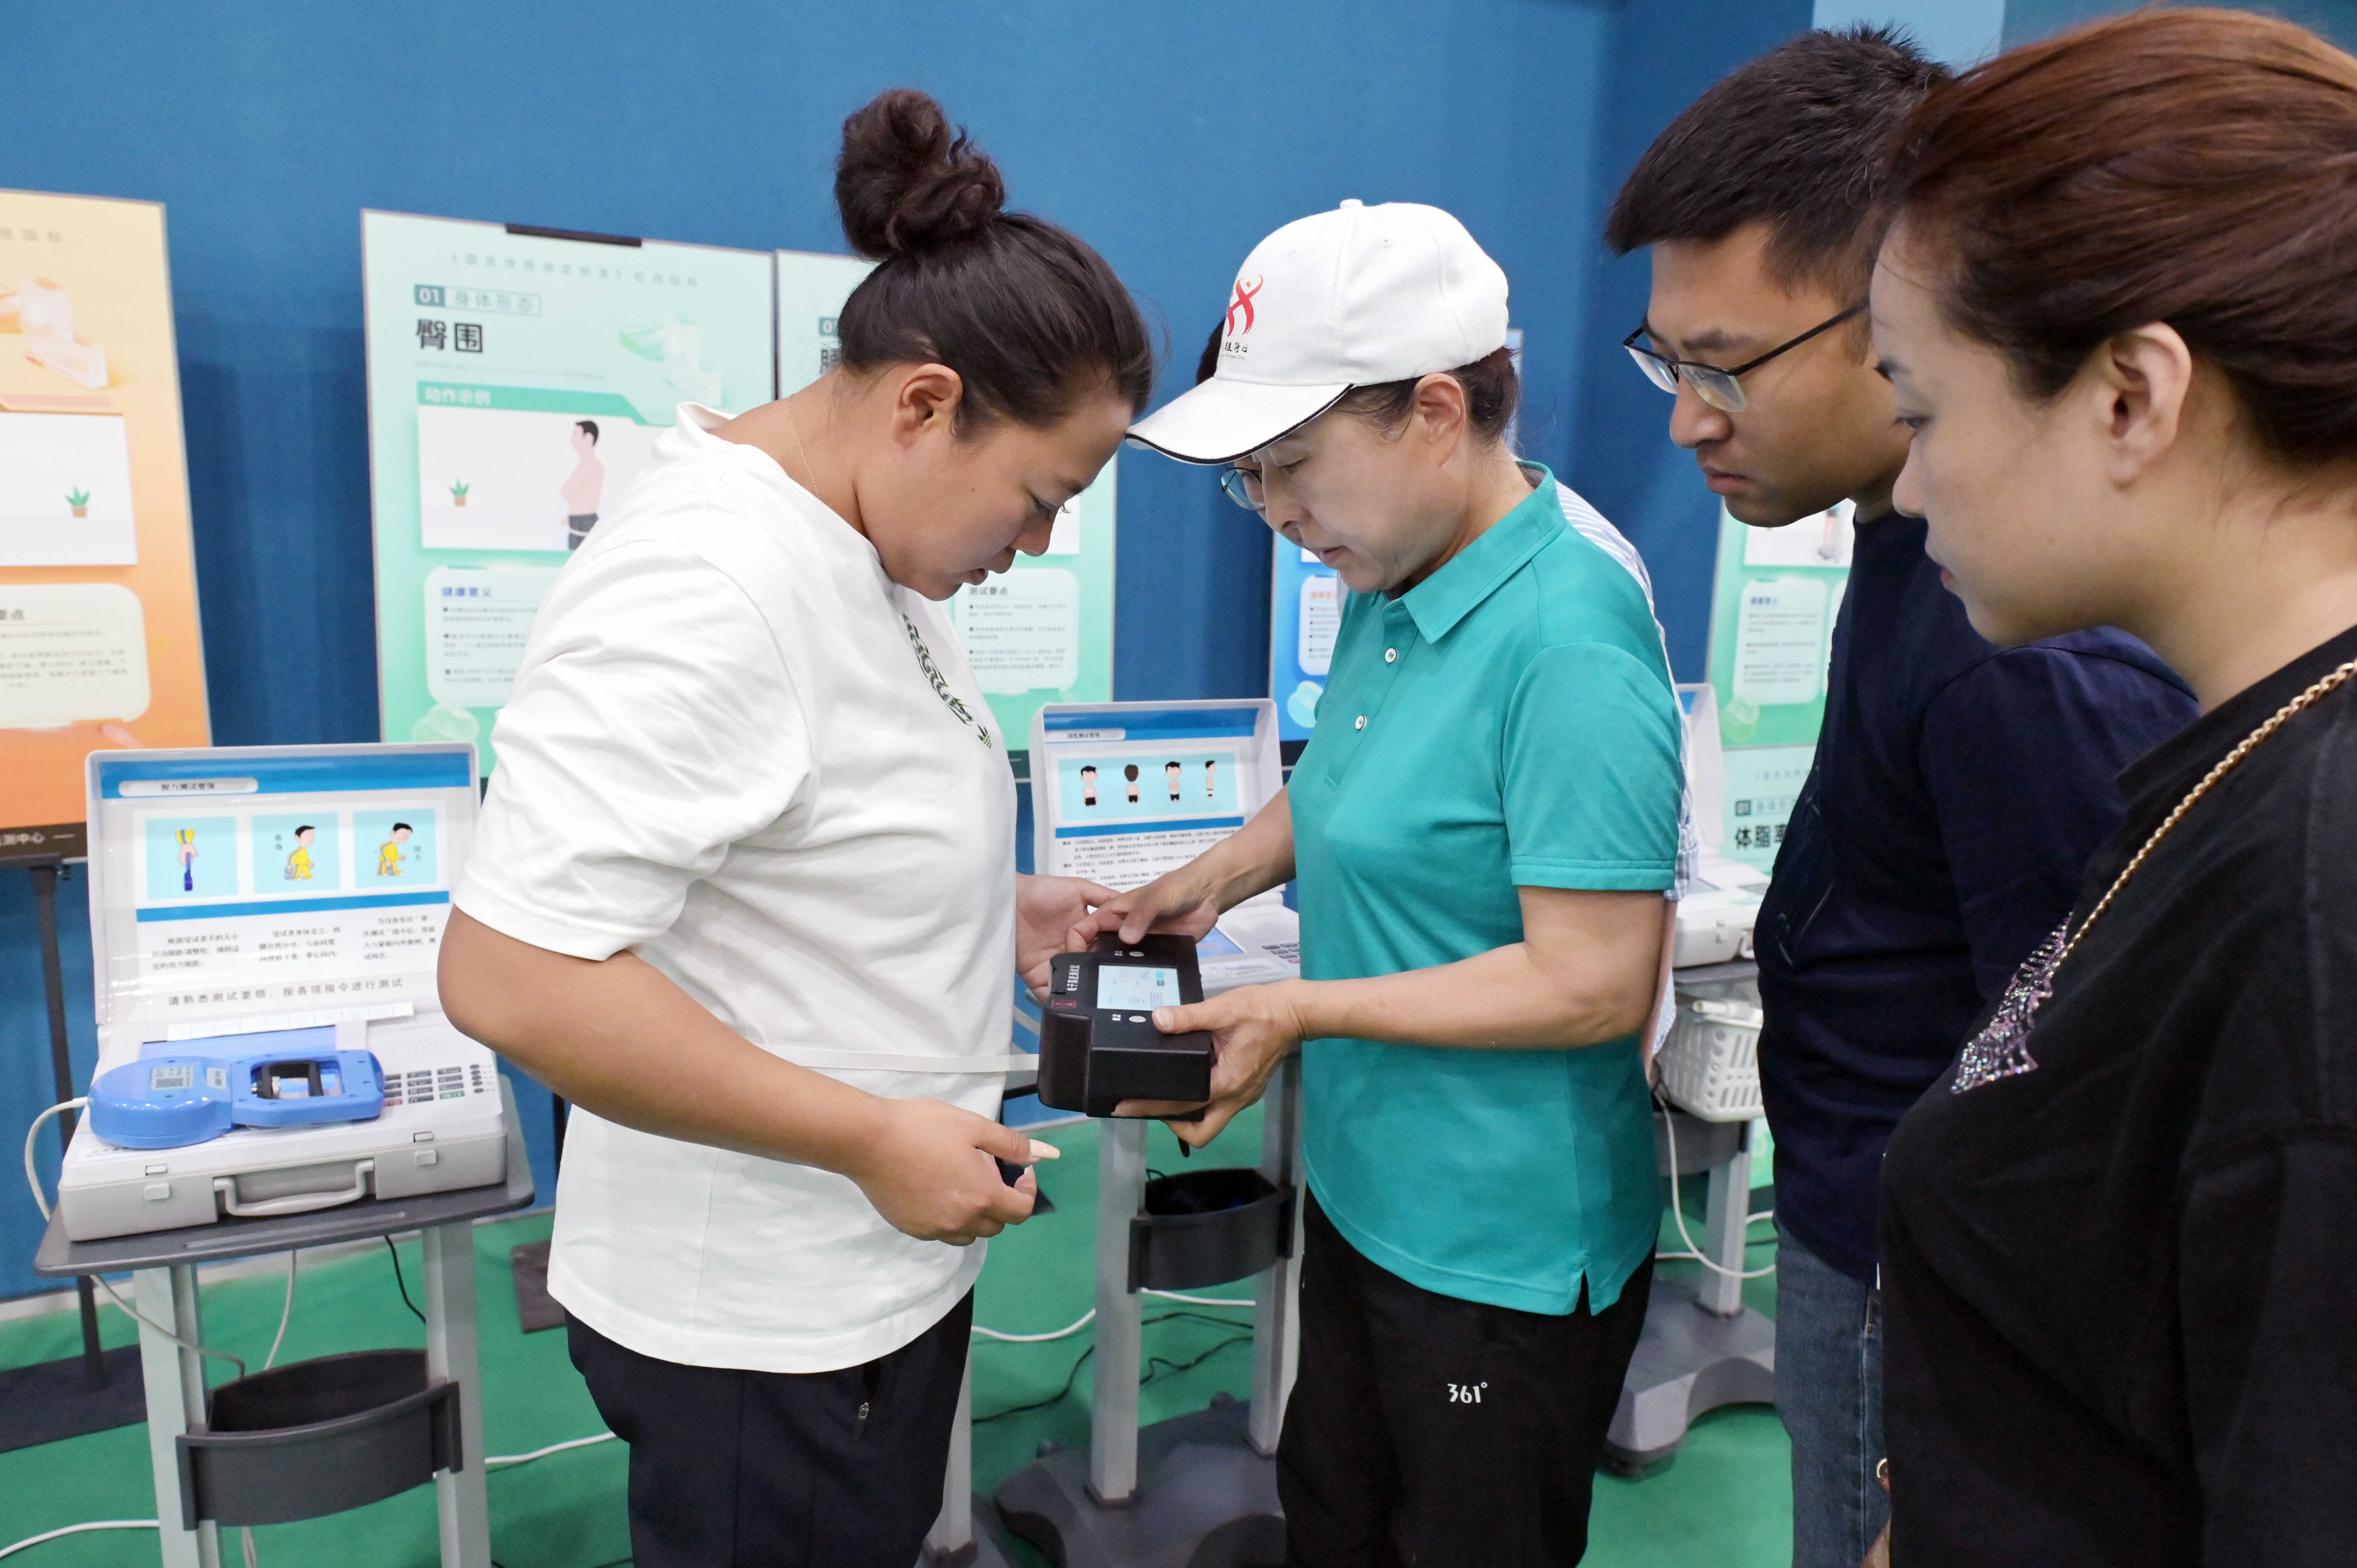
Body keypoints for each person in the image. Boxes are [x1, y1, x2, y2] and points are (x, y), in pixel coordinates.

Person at [437, 87, 1152, 1568]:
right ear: (923, 404)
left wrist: (985, 903)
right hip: (760, 1321)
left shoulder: (860, 539)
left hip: (863, 1271)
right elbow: (513, 975)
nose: (1035, 544)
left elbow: (800, 834)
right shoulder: (707, 582)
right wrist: (870, 1135)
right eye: (1038, 497)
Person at [1602, 28, 2197, 1566]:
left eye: (1726, 366)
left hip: (1920, 1277)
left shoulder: (2024, 658)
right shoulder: (1902, 546)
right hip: (1857, 1217)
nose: (1687, 418)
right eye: (1667, 362)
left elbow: (2072, 1119)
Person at [1110, 199, 1682, 1568]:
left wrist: (1299, 1010)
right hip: (1369, 1194)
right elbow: (1351, 781)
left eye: (1292, 466)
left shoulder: (1568, 634)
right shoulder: (1394, 573)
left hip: (1498, 1248)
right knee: (1336, 1517)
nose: (1274, 511)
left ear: (1435, 413)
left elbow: (1595, 983)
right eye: (1252, 476)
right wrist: (1211, 878)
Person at [1866, 11, 2357, 1562]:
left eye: (1920, 411)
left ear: (2131, 398)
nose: (1906, 484)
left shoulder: (2320, 891)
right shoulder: (2236, 761)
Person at [563, 418, 604, 551]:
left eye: (576, 434)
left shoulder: (591, 466)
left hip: (583, 523)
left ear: (588, 438)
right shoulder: (585, 465)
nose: (573, 439)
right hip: (578, 522)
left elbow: (567, 491)